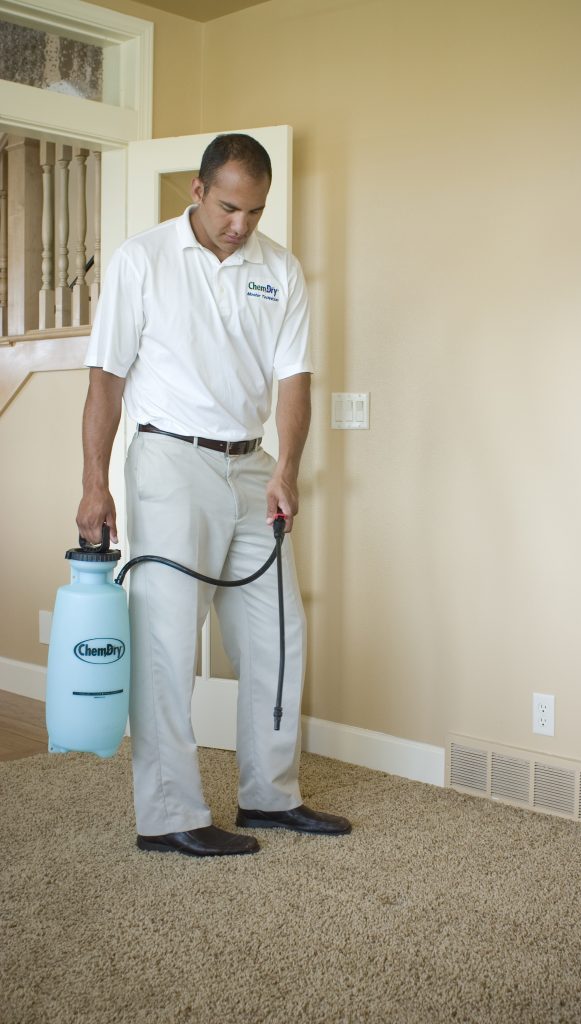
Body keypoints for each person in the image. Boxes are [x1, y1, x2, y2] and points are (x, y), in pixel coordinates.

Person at [77, 133, 350, 857]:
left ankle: (271, 795)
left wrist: (285, 468)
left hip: (251, 466)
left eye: (255, 211)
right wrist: (93, 483)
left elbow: (295, 380)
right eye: (229, 207)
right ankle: (168, 814)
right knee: (167, 640)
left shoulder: (279, 269)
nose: (240, 224)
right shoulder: (144, 259)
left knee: (278, 634)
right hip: (169, 462)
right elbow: (105, 379)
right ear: (196, 192)